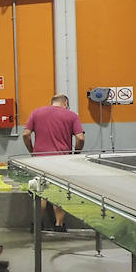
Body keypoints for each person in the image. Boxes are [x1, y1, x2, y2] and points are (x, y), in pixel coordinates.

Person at [23, 94, 85, 232]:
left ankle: (37, 226)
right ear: (65, 103)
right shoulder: (71, 115)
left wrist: (32, 151)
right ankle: (59, 225)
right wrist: (76, 154)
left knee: (40, 192)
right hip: (62, 161)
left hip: (39, 160)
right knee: (59, 192)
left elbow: (25, 134)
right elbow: (80, 138)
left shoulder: (36, 112)